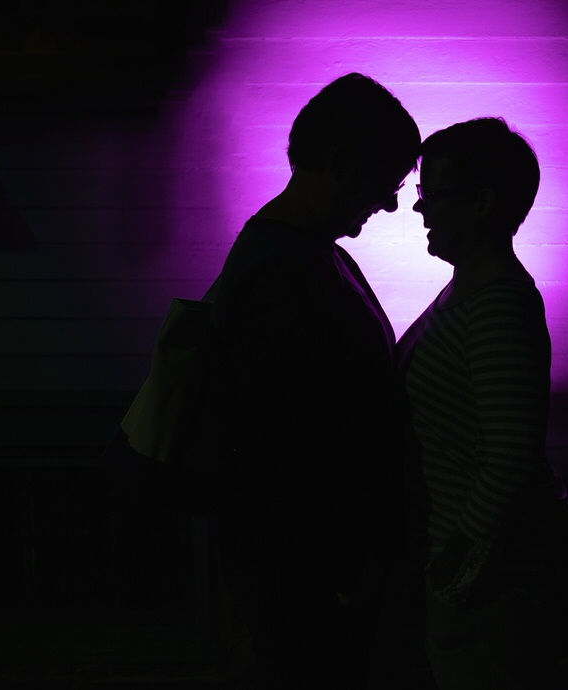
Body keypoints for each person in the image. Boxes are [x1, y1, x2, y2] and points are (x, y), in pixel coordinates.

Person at [207, 73, 420, 688]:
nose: (389, 203)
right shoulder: (285, 276)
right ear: (342, 162)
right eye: (388, 181)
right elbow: (284, 455)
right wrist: (345, 575)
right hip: (311, 591)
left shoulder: (299, 256)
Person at [393, 117, 568, 689]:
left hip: (495, 580)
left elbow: (510, 458)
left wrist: (455, 561)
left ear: (481, 203)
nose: (419, 210)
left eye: (432, 195)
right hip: (481, 571)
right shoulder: (469, 292)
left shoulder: (498, 306)